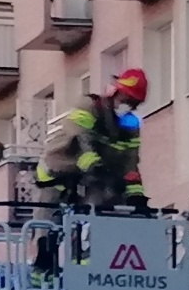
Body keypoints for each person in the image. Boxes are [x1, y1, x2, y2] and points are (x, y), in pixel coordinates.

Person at [35, 68, 149, 210]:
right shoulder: (89, 107)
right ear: (115, 93)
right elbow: (80, 141)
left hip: (92, 180)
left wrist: (136, 195)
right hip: (58, 176)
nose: (129, 106)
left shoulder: (130, 126)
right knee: (47, 227)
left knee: (108, 213)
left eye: (134, 103)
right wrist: (99, 170)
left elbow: (130, 163)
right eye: (126, 99)